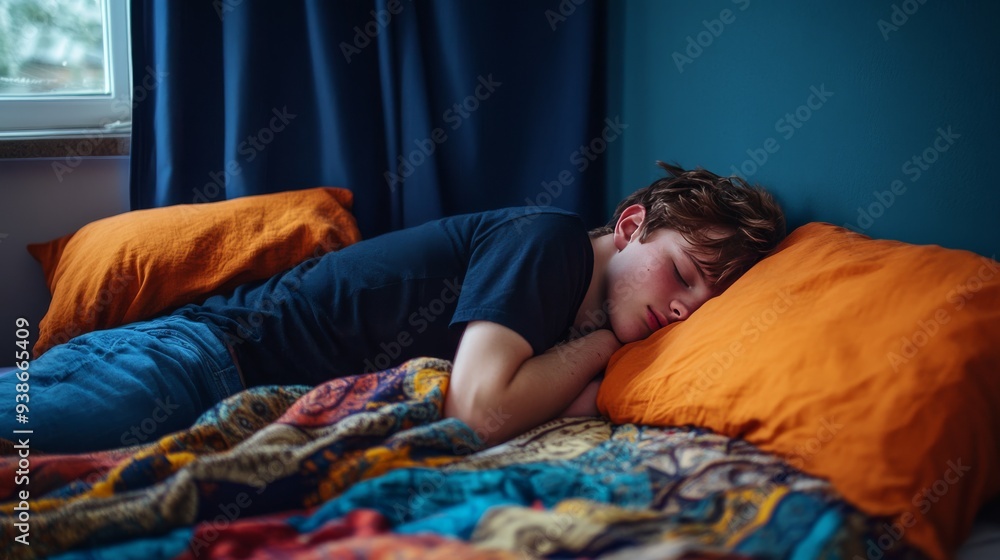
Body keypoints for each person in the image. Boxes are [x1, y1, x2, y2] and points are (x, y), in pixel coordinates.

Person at [0, 162, 785, 453]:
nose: (683, 308)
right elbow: (480, 412)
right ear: (628, 227)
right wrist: (598, 353)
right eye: (682, 273)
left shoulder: (568, 310)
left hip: (218, 392)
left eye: (702, 300)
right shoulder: (550, 244)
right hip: (192, 363)